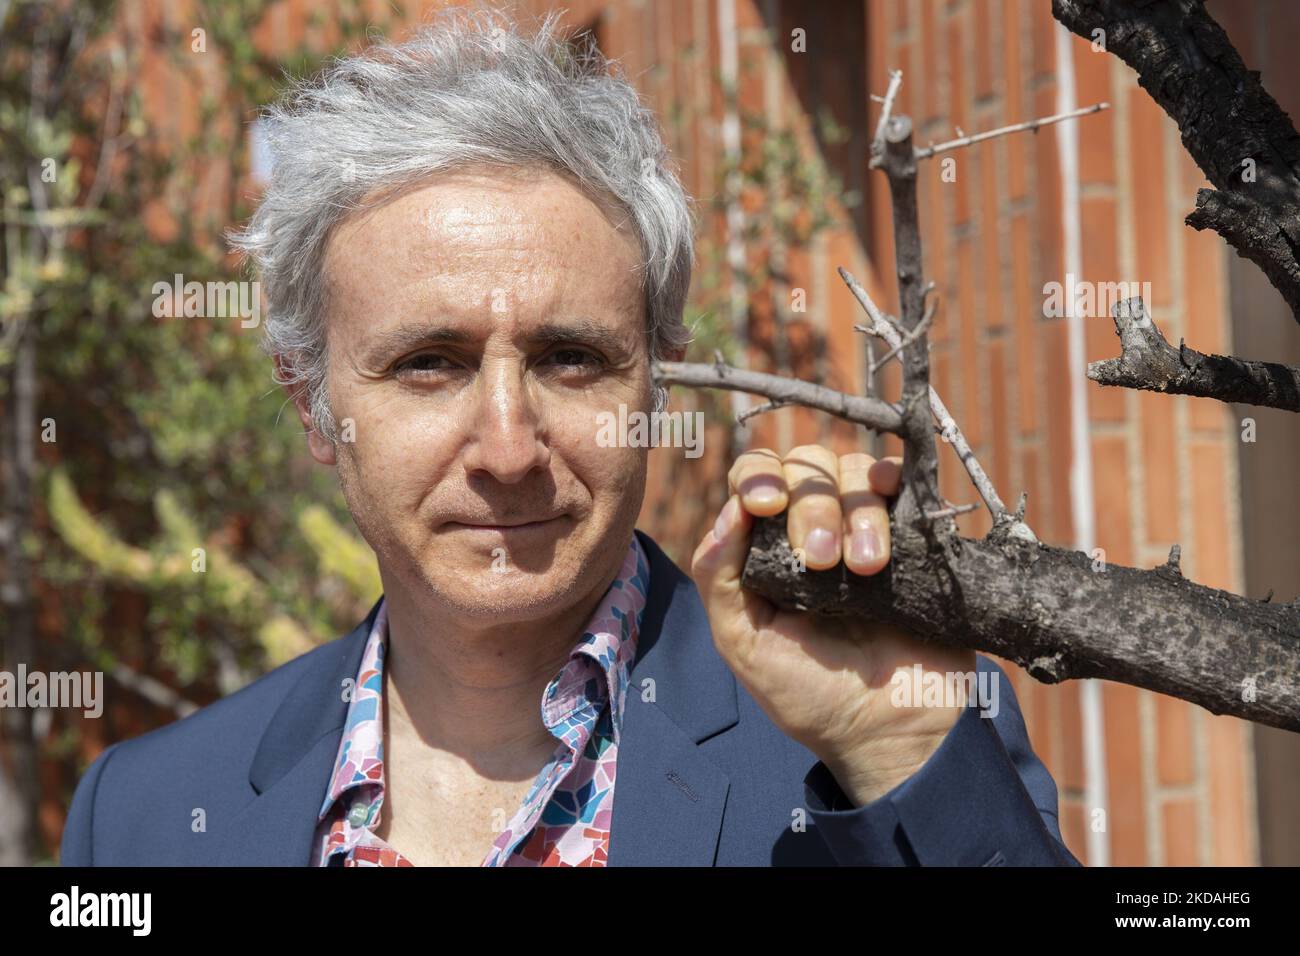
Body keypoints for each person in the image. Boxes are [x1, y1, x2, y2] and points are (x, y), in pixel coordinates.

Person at [61, 7, 1077, 867]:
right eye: (430, 363)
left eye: (569, 358)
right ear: (311, 402)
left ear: (656, 372)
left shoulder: (871, 737)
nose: (507, 448)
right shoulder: (143, 818)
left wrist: (895, 750)